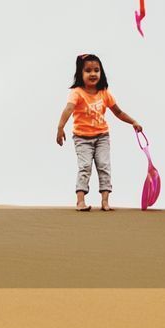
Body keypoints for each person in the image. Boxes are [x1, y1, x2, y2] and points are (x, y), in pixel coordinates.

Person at [55, 53, 144, 211]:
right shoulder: (77, 92)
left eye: (96, 70)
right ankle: (80, 201)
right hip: (82, 138)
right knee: (85, 166)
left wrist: (133, 122)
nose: (93, 74)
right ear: (80, 74)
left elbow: (118, 112)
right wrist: (60, 127)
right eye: (88, 70)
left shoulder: (104, 93)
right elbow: (68, 108)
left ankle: (105, 201)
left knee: (104, 166)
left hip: (102, 136)